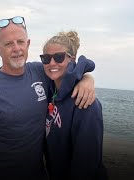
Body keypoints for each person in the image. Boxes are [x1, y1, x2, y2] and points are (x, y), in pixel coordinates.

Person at [0, 16, 95, 180]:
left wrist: (87, 79)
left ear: (27, 44)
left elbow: (68, 69)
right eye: (8, 44)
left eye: (20, 42)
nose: (16, 48)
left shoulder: (39, 70)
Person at [42, 31, 107, 180]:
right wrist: (87, 76)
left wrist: (86, 77)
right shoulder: (50, 91)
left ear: (72, 59)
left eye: (59, 57)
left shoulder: (85, 102)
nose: (52, 63)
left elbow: (86, 164)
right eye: (46, 58)